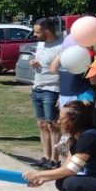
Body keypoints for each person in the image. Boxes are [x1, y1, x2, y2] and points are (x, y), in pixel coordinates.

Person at [23, 101, 96, 191]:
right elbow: (66, 167)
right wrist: (43, 179)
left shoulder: (89, 137)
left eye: (62, 118)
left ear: (74, 120)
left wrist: (38, 174)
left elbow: (71, 170)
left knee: (73, 183)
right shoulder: (77, 138)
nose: (58, 122)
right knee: (62, 182)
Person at [29, 17, 63, 170]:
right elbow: (40, 63)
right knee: (41, 124)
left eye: (37, 32)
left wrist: (62, 94)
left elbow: (63, 71)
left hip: (52, 89)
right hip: (37, 87)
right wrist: (34, 64)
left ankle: (55, 160)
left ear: (47, 31)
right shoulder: (41, 44)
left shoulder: (61, 46)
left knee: (52, 125)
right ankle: (46, 157)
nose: (35, 35)